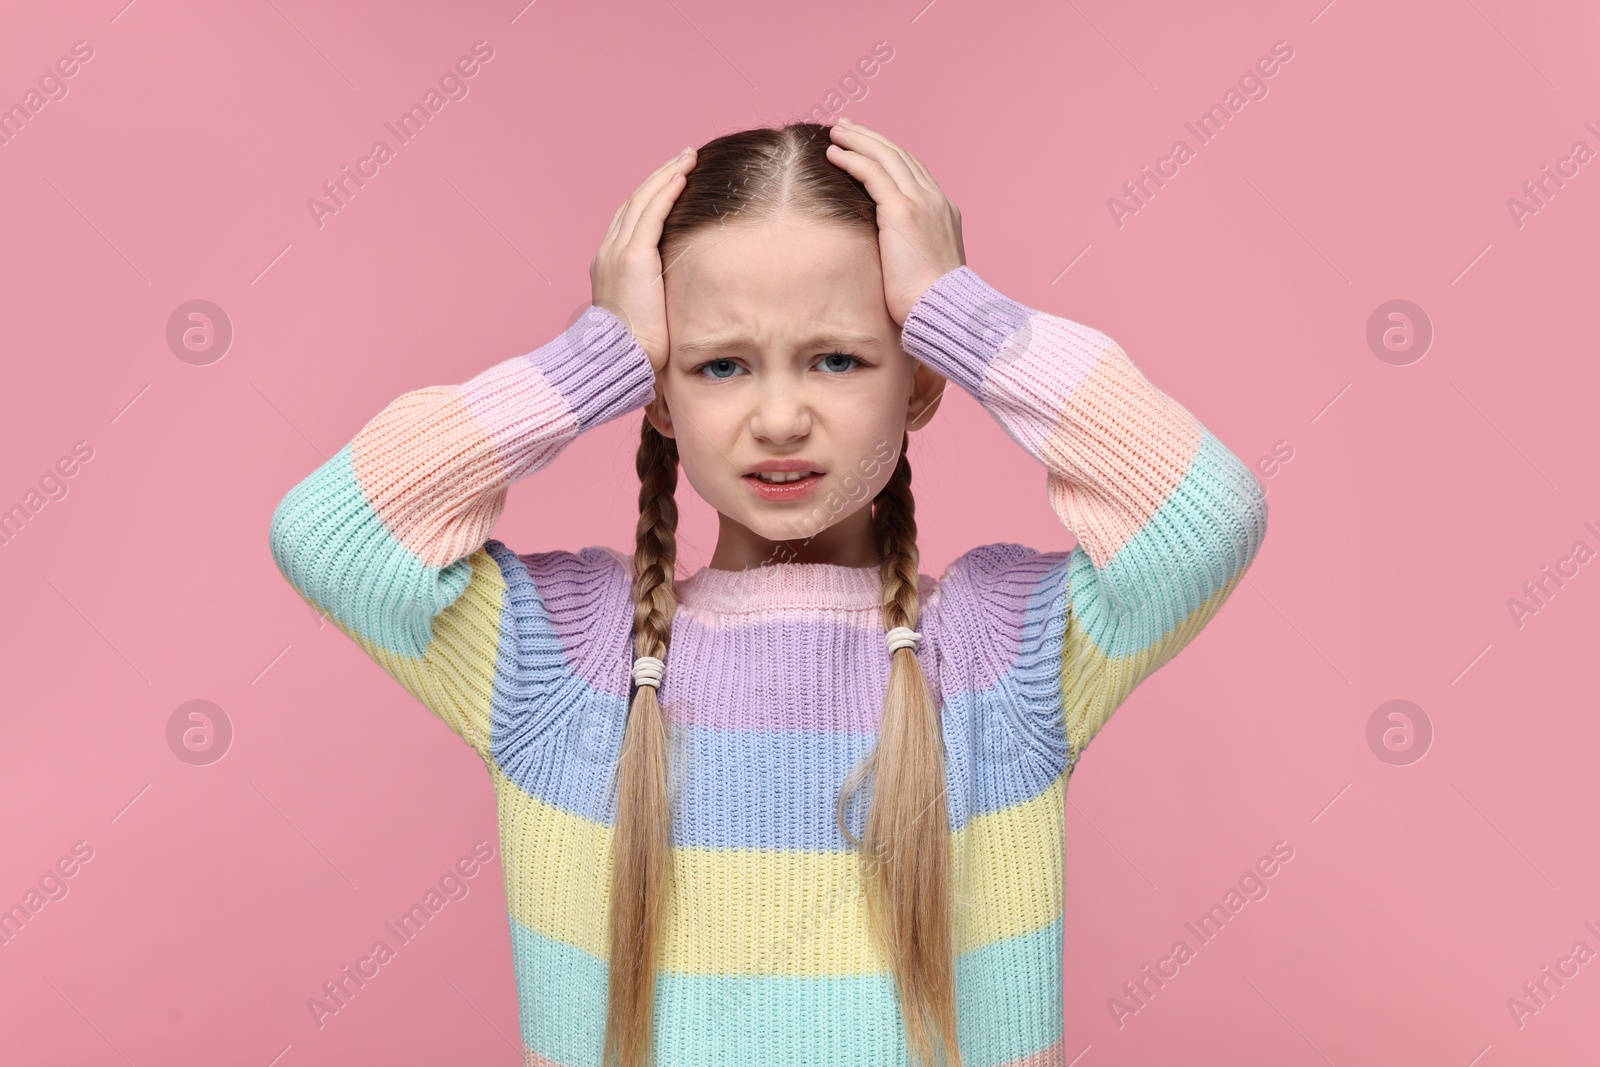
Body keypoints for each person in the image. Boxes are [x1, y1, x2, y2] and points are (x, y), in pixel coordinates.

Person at [268, 118, 1269, 1067]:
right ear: (659, 392)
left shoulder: (996, 656)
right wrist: (596, 356)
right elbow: (335, 534)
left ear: (921, 380)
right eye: (719, 364)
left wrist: (961, 311)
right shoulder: (564, 664)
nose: (779, 416)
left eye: (838, 357)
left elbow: (1203, 515)